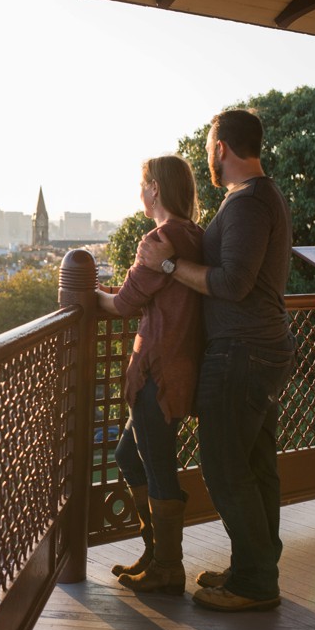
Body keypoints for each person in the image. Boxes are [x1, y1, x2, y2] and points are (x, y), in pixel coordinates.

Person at [137, 109, 295, 612]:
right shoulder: (258, 198)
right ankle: (256, 566)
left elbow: (232, 283)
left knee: (225, 468)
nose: (208, 154)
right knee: (255, 465)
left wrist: (166, 264)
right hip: (259, 350)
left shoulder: (249, 203)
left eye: (209, 146)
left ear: (221, 148)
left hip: (243, 353)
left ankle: (254, 582)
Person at [96, 154, 204, 595]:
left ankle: (167, 567)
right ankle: (155, 552)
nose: (140, 193)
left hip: (157, 371)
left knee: (158, 468)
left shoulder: (160, 239)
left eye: (143, 184)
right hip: (181, 367)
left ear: (155, 189)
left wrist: (86, 294)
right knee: (128, 454)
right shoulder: (195, 236)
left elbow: (122, 304)